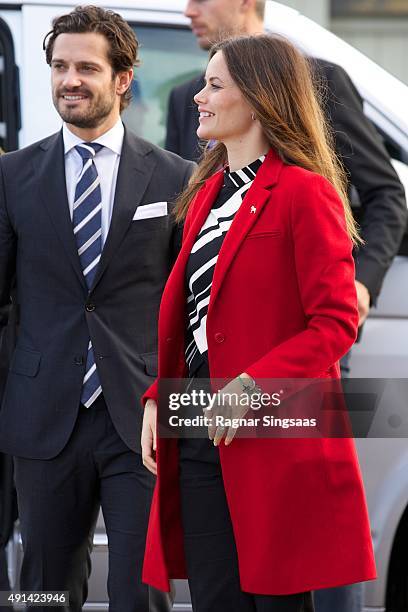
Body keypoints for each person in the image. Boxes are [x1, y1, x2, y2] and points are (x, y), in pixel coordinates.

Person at [141, 33, 377, 612]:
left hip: (274, 431)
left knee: (274, 602)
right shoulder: (205, 195)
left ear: (259, 98)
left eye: (215, 85)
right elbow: (193, 320)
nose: (198, 96)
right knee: (216, 598)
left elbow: (336, 322)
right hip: (198, 424)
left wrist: (252, 385)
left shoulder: (306, 193)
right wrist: (156, 398)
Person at [0, 5, 194, 611]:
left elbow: (189, 306)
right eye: (60, 66)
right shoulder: (12, 177)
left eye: (86, 66)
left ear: (122, 79)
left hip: (140, 419)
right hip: (43, 415)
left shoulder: (176, 178)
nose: (69, 80)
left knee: (142, 592)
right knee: (44, 590)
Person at [166, 0, 407, 335]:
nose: (188, 11)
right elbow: (177, 203)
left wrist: (362, 283)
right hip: (211, 338)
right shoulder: (185, 97)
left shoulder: (320, 81)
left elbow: (385, 192)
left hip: (290, 331)